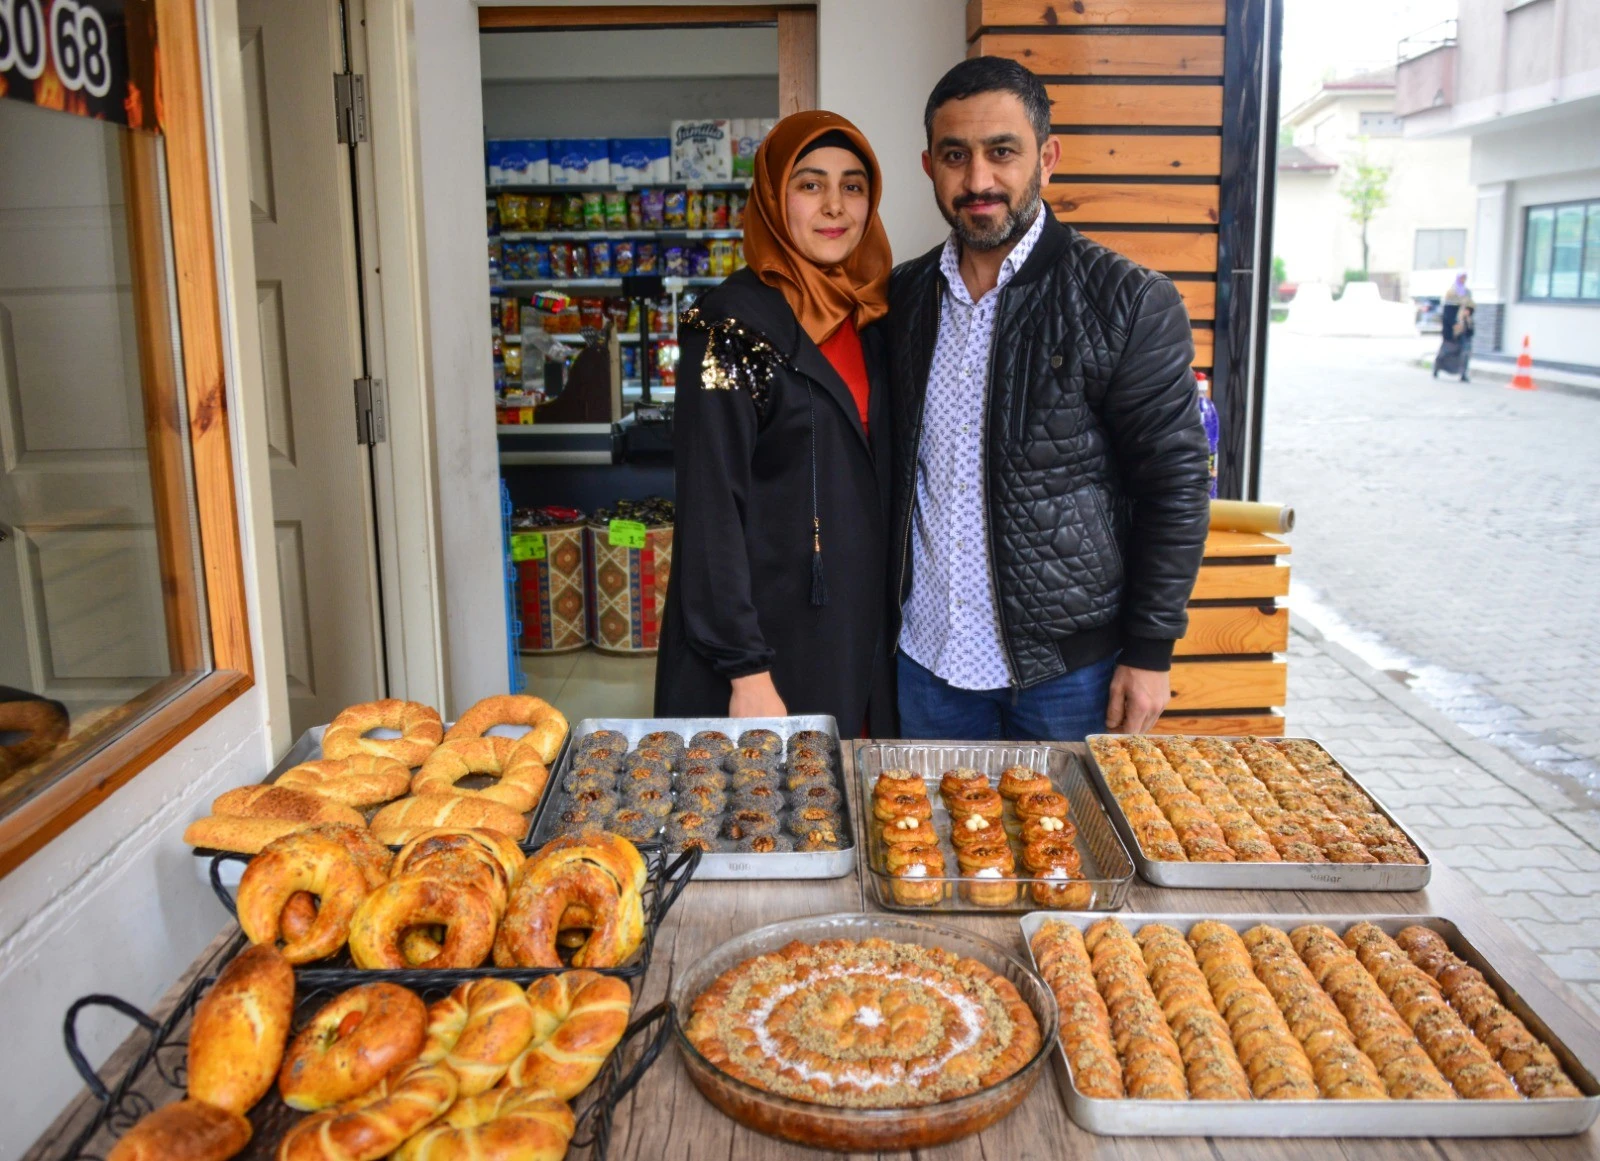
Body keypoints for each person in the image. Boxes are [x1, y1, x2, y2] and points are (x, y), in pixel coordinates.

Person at [884, 56, 1211, 743]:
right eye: (955, 155)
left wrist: (1150, 651)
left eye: (1002, 152)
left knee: (1068, 852)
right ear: (928, 166)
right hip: (927, 665)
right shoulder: (901, 300)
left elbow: (1175, 486)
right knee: (926, 852)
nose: (978, 180)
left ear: (1047, 156)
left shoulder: (1125, 301)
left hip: (1069, 676)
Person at [654, 111, 895, 736]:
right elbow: (711, 508)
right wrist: (746, 671)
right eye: (810, 184)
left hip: (855, 636)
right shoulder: (728, 324)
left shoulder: (877, 318)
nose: (834, 206)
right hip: (764, 644)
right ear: (772, 195)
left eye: (853, 185)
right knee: (764, 820)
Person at [1433, 272, 1474, 381]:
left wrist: (1467, 314)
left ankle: (1463, 373)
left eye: (1464, 278)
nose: (1463, 280)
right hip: (1451, 329)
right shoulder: (1451, 293)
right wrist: (1453, 324)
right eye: (1461, 278)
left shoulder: (1467, 293)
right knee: (1446, 351)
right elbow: (1447, 313)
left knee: (1465, 351)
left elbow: (1470, 307)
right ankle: (1437, 368)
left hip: (1464, 327)